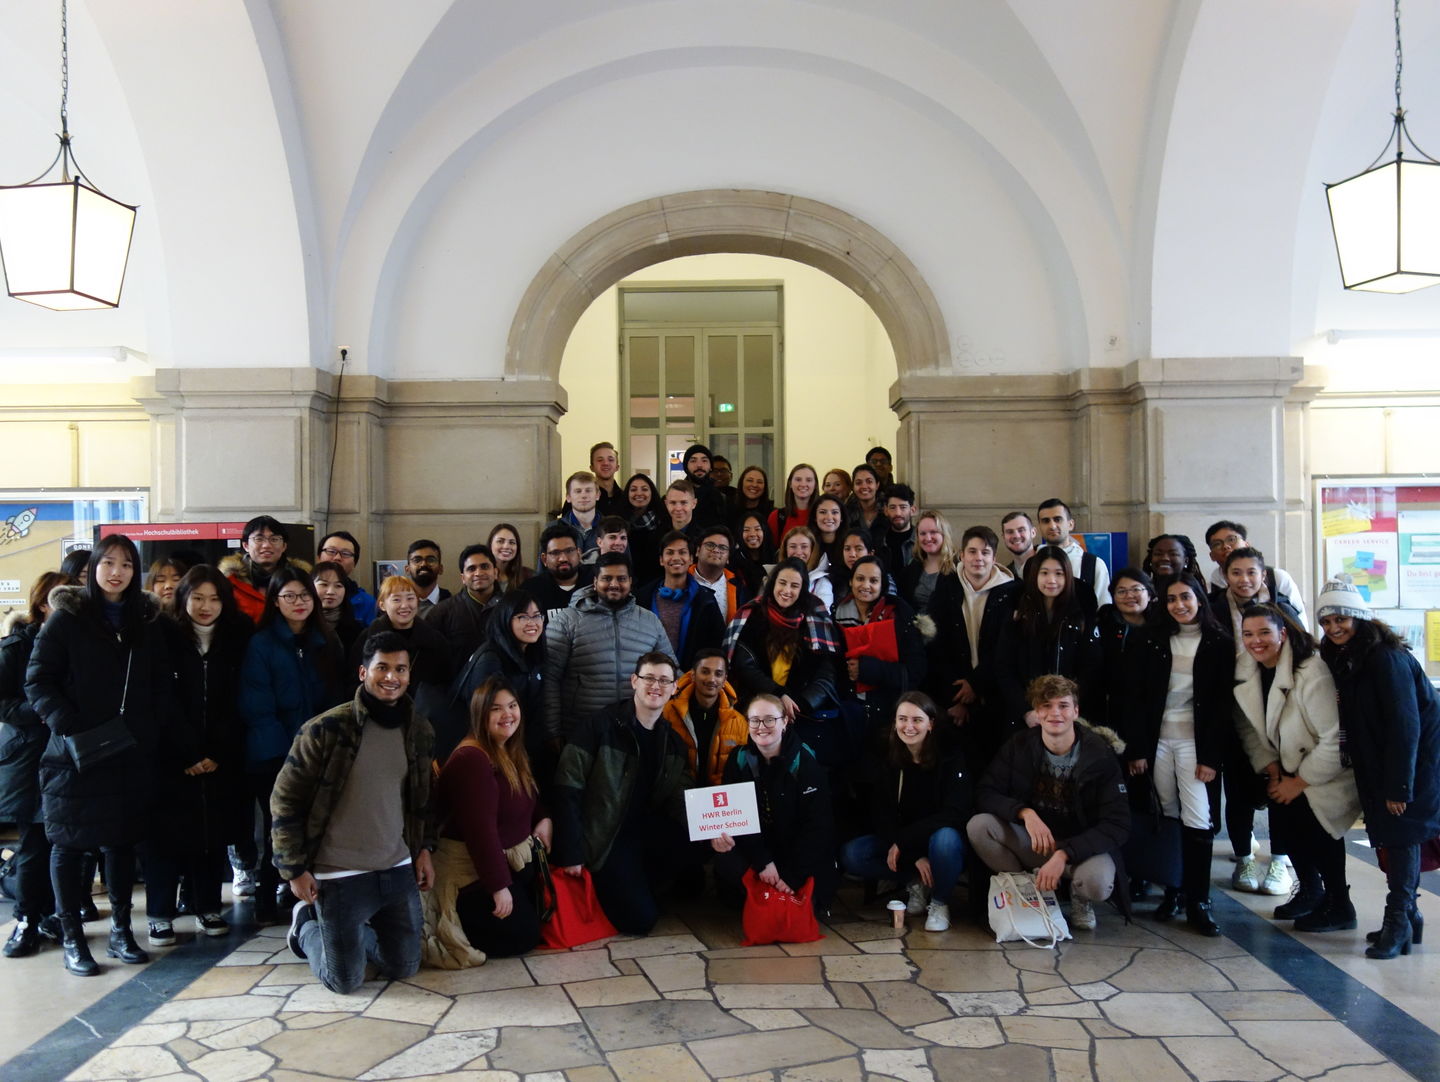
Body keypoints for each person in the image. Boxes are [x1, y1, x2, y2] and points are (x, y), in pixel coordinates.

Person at [25, 536, 176, 975]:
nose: (117, 572)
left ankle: (121, 932)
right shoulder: (68, 620)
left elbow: (160, 684)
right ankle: (73, 938)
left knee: (121, 844)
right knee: (69, 846)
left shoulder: (144, 622)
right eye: (107, 563)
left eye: (127, 564)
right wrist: (70, 726)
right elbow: (38, 682)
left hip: (128, 752)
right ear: (92, 568)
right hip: (73, 756)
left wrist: (147, 733)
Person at [274, 631, 436, 995]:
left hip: (395, 865)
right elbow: (285, 800)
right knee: (344, 980)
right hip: (339, 871)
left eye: (400, 669)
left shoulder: (419, 730)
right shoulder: (326, 729)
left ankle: (353, 932)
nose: (391, 677)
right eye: (382, 668)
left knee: (405, 966)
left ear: (410, 675)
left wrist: (424, 849)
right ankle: (306, 927)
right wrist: (294, 869)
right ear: (363, 672)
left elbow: (422, 800)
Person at [1317, 576, 1440, 958]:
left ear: (1359, 619)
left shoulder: (1386, 659)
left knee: (1401, 836)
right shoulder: (1349, 656)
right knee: (1391, 836)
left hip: (1412, 761)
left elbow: (1406, 725)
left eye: (1341, 619)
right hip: (1383, 760)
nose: (1334, 628)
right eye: (1326, 622)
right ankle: (1409, 918)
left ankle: (1398, 920)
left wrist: (1399, 787)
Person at [967, 674, 1130, 931]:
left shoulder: (1099, 754)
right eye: (1046, 706)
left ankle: (1080, 899)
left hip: (1079, 849)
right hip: (1034, 843)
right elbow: (986, 792)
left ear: (1076, 711)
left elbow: (1118, 824)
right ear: (1037, 712)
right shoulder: (1019, 744)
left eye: (1063, 705)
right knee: (979, 826)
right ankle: (1030, 892)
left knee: (1097, 883)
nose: (1055, 713)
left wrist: (1065, 853)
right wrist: (1025, 813)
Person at [1235, 603, 1360, 933]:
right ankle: (1310, 889)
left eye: (1264, 632)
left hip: (1323, 768)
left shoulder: (1310, 673)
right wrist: (1272, 767)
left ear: (1283, 633)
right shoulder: (1248, 670)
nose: (1255, 641)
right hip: (1286, 763)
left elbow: (1334, 740)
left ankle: (1339, 903)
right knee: (1287, 822)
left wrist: (1300, 781)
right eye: (1248, 634)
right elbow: (1250, 726)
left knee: (1318, 827)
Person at [145, 566, 254, 946]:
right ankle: (159, 913)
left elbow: (241, 698)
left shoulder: (238, 636)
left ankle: (208, 906)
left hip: (220, 755)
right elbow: (160, 698)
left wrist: (218, 751)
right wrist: (187, 751)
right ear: (183, 598)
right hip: (171, 754)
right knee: (165, 836)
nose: (206, 607)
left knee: (212, 832)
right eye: (198, 598)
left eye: (214, 598)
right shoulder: (162, 633)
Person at [1121, 575, 1233, 936]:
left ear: (1199, 598)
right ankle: (1174, 889)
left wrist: (1212, 757)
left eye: (1186, 597)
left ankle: (1199, 899)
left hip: (1195, 745)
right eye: (1171, 599)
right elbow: (1133, 699)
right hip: (1157, 743)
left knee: (1198, 817)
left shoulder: (1219, 642)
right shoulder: (1150, 639)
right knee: (1167, 814)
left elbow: (1221, 707)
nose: (1179, 605)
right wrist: (1136, 749)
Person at [553, 652, 693, 935]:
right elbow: (566, 787)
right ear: (634, 681)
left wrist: (712, 829)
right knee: (640, 921)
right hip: (606, 837)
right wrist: (572, 851)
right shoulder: (600, 726)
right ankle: (626, 891)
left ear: (675, 688)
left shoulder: (673, 741)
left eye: (665, 680)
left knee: (693, 845)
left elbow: (682, 796)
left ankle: (642, 885)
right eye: (649, 678)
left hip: (644, 833)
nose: (656, 686)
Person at [238, 568, 346, 924]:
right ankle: (265, 897)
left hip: (319, 752)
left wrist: (324, 751)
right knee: (278, 827)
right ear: (274, 601)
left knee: (317, 826)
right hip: (273, 754)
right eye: (289, 596)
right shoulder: (260, 643)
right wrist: (288, 756)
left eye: (304, 595)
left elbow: (336, 701)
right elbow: (258, 706)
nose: (298, 603)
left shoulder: (327, 641)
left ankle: (308, 895)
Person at [432, 677, 552, 961]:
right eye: (496, 709)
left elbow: (525, 794)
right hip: (469, 874)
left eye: (512, 705)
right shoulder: (472, 759)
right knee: (523, 935)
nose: (507, 714)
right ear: (479, 715)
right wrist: (499, 887)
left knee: (537, 920)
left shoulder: (508, 749)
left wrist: (544, 818)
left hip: (505, 862)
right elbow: (480, 832)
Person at [1211, 546, 1302, 897]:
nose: (1244, 579)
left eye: (1251, 572)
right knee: (1238, 791)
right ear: (1226, 576)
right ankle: (1244, 856)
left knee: (1281, 786)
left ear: (1263, 576)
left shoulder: (1284, 611)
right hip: (1234, 706)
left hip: (1281, 708)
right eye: (1237, 573)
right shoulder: (1214, 609)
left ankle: (1279, 858)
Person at [842, 692, 971, 932]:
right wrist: (912, 856)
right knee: (854, 854)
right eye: (902, 719)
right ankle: (917, 881)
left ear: (931, 723)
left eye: (917, 720)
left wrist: (903, 841)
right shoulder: (888, 756)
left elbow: (955, 813)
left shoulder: (951, 756)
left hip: (939, 841)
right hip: (907, 844)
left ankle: (940, 901)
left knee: (945, 839)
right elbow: (881, 815)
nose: (908, 726)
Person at [712, 692, 836, 915]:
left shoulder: (805, 762)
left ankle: (772, 898)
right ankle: (764, 899)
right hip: (760, 850)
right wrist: (763, 862)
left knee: (813, 898)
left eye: (770, 719)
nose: (762, 726)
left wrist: (791, 876)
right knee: (724, 858)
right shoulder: (738, 760)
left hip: (795, 853)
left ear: (785, 721)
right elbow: (737, 820)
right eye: (755, 720)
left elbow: (818, 827)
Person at [0, 571, 70, 958]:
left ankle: (54, 915)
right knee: (34, 843)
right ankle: (26, 920)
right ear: (43, 603)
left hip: (68, 754)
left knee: (67, 844)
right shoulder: (16, 646)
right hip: (27, 757)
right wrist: (42, 711)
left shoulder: (77, 643)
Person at [542, 552, 671, 745]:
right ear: (595, 582)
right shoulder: (566, 621)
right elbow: (549, 678)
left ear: (630, 582)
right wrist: (552, 731)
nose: (614, 584)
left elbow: (671, 671)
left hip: (636, 729)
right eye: (606, 578)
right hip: (580, 729)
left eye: (621, 578)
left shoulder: (650, 621)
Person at [725, 558, 842, 754]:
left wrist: (800, 704)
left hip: (800, 714)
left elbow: (826, 673)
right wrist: (778, 696)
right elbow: (744, 666)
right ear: (773, 583)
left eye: (795, 585)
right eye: (782, 583)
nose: (787, 590)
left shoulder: (815, 618)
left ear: (803, 589)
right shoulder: (753, 614)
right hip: (757, 709)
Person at [929, 526, 1018, 770]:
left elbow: (1006, 648)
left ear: (994, 558)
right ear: (962, 554)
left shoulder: (1011, 592)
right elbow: (937, 644)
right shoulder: (947, 586)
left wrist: (976, 685)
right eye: (972, 551)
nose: (978, 558)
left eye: (985, 552)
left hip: (995, 694)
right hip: (955, 695)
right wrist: (956, 698)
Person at [996, 545, 1103, 732]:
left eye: (1059, 574)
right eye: (1044, 573)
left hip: (1070, 716)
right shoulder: (1017, 615)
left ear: (1068, 577)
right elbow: (1004, 669)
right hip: (1027, 717)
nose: (1051, 580)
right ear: (1035, 575)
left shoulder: (1081, 614)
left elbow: (1090, 668)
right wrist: (1026, 711)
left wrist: (1065, 709)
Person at [452, 591, 549, 783]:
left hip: (518, 749)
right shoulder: (490, 659)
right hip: (491, 757)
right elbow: (484, 719)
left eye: (537, 616)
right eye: (522, 617)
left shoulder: (532, 653)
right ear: (506, 619)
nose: (532, 623)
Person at [833, 555, 927, 734]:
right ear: (851, 582)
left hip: (889, 711)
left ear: (882, 585)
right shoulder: (836, 614)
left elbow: (916, 670)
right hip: (847, 709)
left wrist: (868, 669)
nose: (866, 586)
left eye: (873, 580)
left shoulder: (899, 615)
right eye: (860, 579)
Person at [356, 576, 454, 747]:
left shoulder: (435, 640)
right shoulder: (367, 639)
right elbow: (353, 681)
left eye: (410, 599)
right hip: (374, 719)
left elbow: (447, 681)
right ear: (382, 605)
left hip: (423, 722)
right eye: (396, 599)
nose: (404, 605)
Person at [636, 531, 726, 669]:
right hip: (649, 678)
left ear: (691, 559)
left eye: (682, 552)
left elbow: (715, 645)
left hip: (689, 680)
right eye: (670, 552)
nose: (676, 557)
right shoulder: (643, 597)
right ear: (661, 560)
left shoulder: (705, 600)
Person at [662, 647, 747, 787]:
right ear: (693, 675)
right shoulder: (668, 712)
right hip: (677, 796)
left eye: (718, 674)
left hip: (720, 800)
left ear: (725, 679)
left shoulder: (738, 722)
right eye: (705, 672)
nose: (712, 679)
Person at [1204, 520, 1307, 626]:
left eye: (1231, 539)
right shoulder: (1209, 589)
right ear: (1211, 556)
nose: (1226, 546)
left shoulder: (1276, 577)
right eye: (1217, 544)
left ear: (1246, 544)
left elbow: (1299, 619)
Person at [428, 544, 503, 665]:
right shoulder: (442, 612)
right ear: (463, 577)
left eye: (484, 566)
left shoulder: (512, 607)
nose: (478, 573)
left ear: (495, 572)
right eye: (471, 569)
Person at [222, 516, 303, 623]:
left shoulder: (300, 579)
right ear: (246, 545)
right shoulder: (229, 581)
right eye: (259, 539)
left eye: (274, 539)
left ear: (284, 546)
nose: (266, 545)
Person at [1036, 499, 1110, 611]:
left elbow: (1103, 609)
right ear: (1039, 526)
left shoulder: (1093, 565)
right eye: (1046, 521)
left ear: (1071, 524)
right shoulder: (1032, 563)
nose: (1052, 526)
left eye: (1057, 519)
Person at [525, 524, 595, 618]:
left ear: (579, 554)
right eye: (555, 553)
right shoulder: (531, 590)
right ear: (544, 559)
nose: (563, 558)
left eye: (569, 551)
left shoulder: (595, 582)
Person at [896, 509, 958, 615]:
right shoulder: (911, 569)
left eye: (933, 532)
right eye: (923, 533)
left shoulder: (958, 567)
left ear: (944, 534)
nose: (928, 538)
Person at [692, 524, 750, 625]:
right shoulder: (682, 581)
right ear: (698, 551)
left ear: (728, 558)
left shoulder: (739, 589)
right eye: (710, 545)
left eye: (723, 547)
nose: (716, 550)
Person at [317, 531, 376, 626]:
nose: (337, 558)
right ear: (319, 557)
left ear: (354, 563)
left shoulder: (367, 603)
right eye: (331, 551)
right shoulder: (302, 596)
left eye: (345, 553)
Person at [313, 560, 365, 654]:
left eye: (338, 586)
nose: (330, 592)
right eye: (324, 584)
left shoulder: (357, 631)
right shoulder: (301, 626)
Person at [780, 525, 835, 611]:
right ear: (785, 550)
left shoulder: (821, 583)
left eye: (804, 546)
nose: (798, 552)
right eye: (793, 546)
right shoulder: (773, 577)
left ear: (812, 550)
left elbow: (824, 618)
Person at [624, 472, 668, 573]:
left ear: (651, 493)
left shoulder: (663, 520)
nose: (639, 493)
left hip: (657, 580)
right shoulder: (620, 521)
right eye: (633, 489)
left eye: (644, 489)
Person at [558, 470, 602, 560]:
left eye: (588, 490)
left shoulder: (612, 528)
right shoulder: (553, 529)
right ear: (568, 497)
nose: (584, 495)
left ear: (597, 495)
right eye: (578, 491)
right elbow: (543, 571)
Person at [681, 443, 726, 528]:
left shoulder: (721, 498)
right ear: (686, 467)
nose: (699, 465)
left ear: (711, 467)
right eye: (693, 461)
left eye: (704, 460)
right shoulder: (676, 496)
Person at [769, 463, 819, 539]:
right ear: (790, 484)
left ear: (815, 485)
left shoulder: (822, 517)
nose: (803, 484)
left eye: (809, 480)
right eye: (798, 479)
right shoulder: (776, 517)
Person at [877, 484, 917, 573]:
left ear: (912, 510)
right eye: (893, 507)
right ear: (886, 511)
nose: (898, 513)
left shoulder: (922, 541)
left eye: (903, 507)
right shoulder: (879, 541)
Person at [734, 512, 776, 595]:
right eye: (746, 530)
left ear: (765, 531)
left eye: (757, 529)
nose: (752, 534)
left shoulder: (775, 557)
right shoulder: (733, 560)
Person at [488, 523, 535, 593]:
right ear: (490, 544)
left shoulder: (530, 576)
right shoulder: (482, 575)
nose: (506, 546)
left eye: (512, 542)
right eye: (500, 541)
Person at [406, 539, 451, 610]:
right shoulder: (392, 605)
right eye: (417, 560)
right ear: (407, 569)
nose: (423, 564)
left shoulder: (454, 605)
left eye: (431, 560)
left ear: (440, 569)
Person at [845, 465, 884, 534]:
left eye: (869, 481)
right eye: (858, 483)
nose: (864, 486)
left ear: (877, 485)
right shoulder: (846, 512)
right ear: (853, 487)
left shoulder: (888, 509)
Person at [589, 441, 625, 516]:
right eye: (600, 460)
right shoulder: (580, 498)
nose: (605, 463)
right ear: (592, 467)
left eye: (611, 460)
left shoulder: (626, 499)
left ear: (617, 467)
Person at [1001, 511, 1038, 577]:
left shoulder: (1050, 564)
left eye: (1021, 530)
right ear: (1003, 537)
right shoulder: (1005, 576)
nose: (1016, 536)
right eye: (1010, 532)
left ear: (1033, 532)